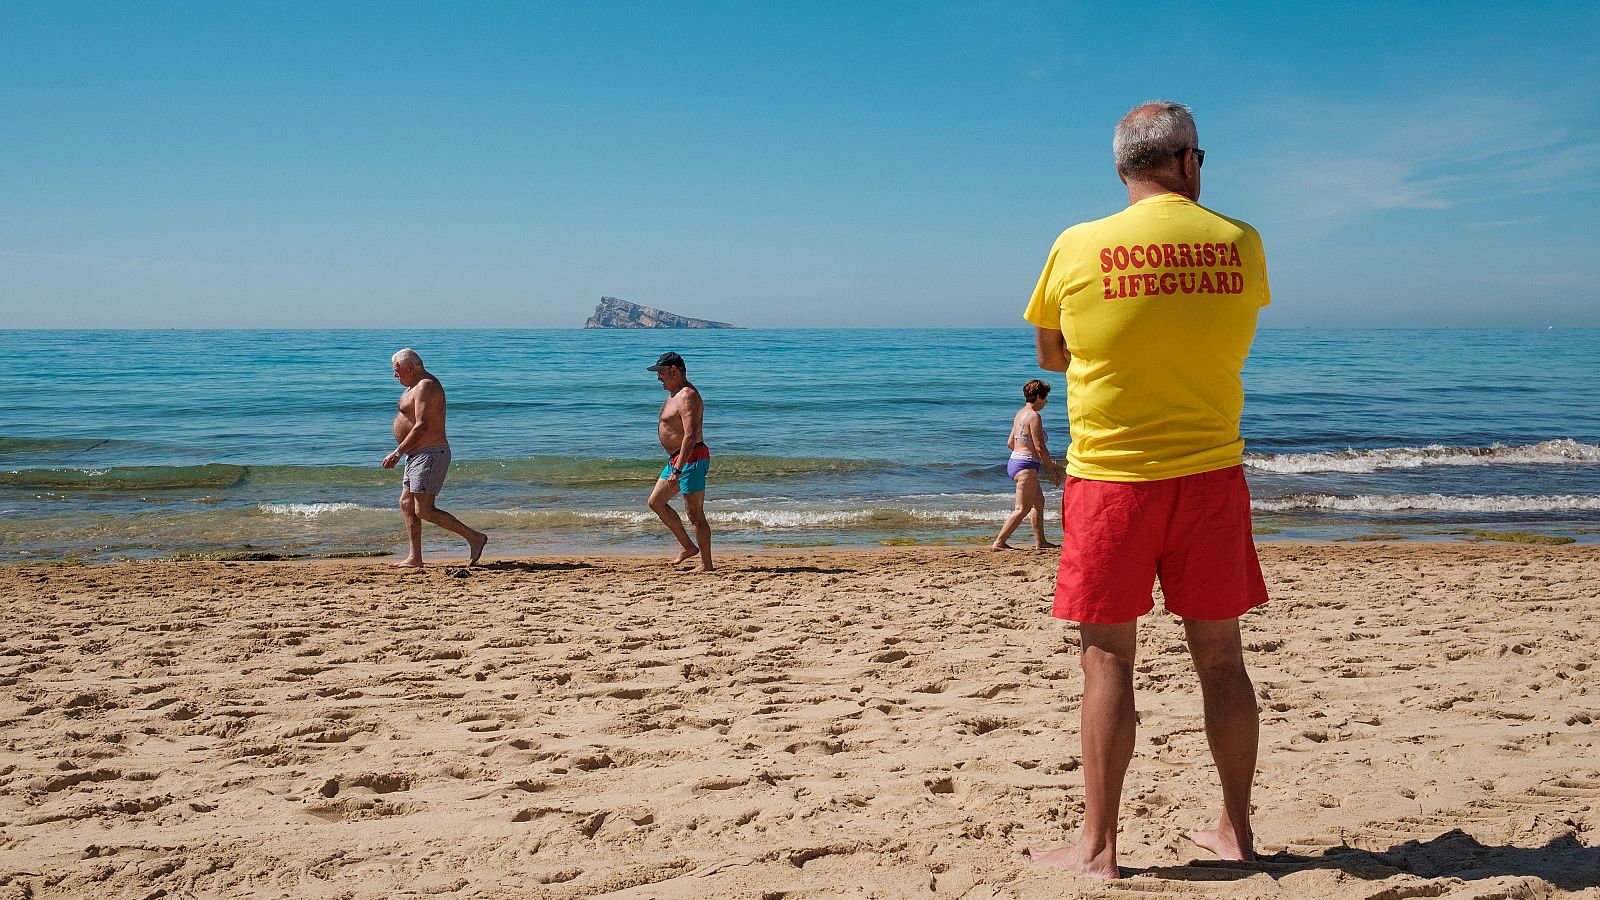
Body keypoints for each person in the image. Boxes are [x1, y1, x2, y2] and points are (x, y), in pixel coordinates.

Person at [1021, 101, 1272, 879]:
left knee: (1106, 664)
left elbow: (1052, 355)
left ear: (1123, 168)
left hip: (1110, 481)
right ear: (1190, 162)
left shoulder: (1076, 244)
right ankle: (1236, 832)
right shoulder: (1238, 241)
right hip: (1209, 476)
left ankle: (1097, 849)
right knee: (1223, 661)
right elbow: (1223, 334)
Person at [381, 348, 488, 567]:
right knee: (406, 504)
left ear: (410, 367)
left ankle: (475, 538)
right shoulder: (414, 386)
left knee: (424, 509)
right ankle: (415, 557)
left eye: (397, 370)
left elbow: (423, 425)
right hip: (416, 454)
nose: (395, 375)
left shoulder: (426, 386)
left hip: (430, 452)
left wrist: (398, 452)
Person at [645, 352, 712, 572]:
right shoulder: (674, 394)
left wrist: (678, 468)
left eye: (662, 373)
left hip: (690, 458)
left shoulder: (687, 396)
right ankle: (687, 546)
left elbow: (690, 436)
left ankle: (706, 564)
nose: (659, 378)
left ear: (674, 371)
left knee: (694, 513)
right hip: (677, 458)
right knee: (656, 502)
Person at [993, 379, 1063, 550]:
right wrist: (1053, 470)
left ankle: (1041, 542)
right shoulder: (1034, 417)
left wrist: (1023, 452)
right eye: (1045, 398)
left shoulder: (1020, 414)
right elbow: (1040, 447)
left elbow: (1010, 442)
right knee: (1022, 508)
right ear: (1038, 396)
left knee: (1038, 502)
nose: (1046, 402)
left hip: (1016, 461)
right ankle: (999, 542)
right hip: (1026, 466)